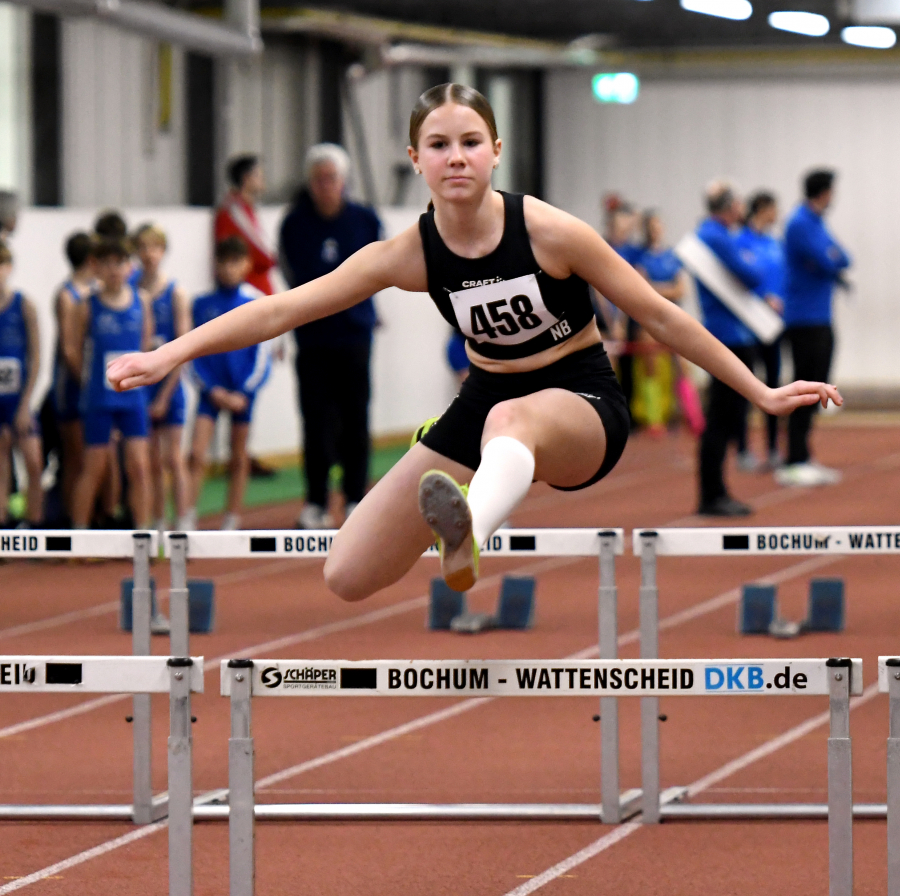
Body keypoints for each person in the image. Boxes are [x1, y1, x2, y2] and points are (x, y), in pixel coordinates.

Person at [109, 83, 841, 601]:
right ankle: (467, 509)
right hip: (485, 401)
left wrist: (759, 391)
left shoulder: (551, 232)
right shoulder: (411, 253)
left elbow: (661, 315)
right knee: (347, 573)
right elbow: (282, 309)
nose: (455, 157)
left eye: (469, 143)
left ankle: (467, 535)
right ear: (416, 158)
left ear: (495, 151)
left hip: (582, 402)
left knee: (510, 420)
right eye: (438, 145)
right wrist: (169, 353)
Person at [279, 143, 382, 529]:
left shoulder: (365, 220)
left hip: (354, 335)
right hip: (313, 338)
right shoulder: (294, 224)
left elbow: (379, 268)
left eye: (332, 178)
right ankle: (315, 502)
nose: (325, 186)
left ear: (344, 181)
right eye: (318, 179)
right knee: (314, 420)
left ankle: (355, 498)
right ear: (310, 183)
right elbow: (291, 274)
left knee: (356, 418)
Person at [691, 181, 769, 517]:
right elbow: (753, 274)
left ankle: (716, 491)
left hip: (731, 334)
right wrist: (750, 259)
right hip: (728, 337)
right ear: (726, 206)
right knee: (721, 418)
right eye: (737, 202)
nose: (741, 208)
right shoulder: (718, 236)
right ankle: (712, 494)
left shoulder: (715, 235)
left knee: (725, 417)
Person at [184, 236, 270, 531]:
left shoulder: (257, 303)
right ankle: (187, 518)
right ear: (215, 265)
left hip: (243, 394)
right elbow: (190, 351)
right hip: (211, 392)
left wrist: (243, 392)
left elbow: (263, 354)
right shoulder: (201, 304)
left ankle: (232, 519)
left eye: (235, 262)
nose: (229, 268)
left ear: (246, 265)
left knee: (239, 456)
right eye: (224, 262)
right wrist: (211, 389)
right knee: (196, 453)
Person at [69, 236, 152, 530]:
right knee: (94, 467)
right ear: (96, 267)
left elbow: (146, 347)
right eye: (107, 263)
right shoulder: (87, 304)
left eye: (120, 263)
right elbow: (73, 349)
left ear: (130, 267)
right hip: (100, 399)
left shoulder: (142, 301)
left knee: (139, 467)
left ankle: (143, 534)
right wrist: (89, 382)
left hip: (133, 397)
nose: (114, 269)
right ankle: (78, 536)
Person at [776, 169, 851, 488]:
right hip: (803, 319)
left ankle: (803, 456)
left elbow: (844, 258)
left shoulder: (817, 221)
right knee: (806, 389)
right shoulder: (799, 222)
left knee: (818, 385)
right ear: (823, 192)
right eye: (832, 190)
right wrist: (830, 258)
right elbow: (828, 260)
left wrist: (831, 257)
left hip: (820, 316)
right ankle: (793, 460)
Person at [133, 224, 191, 533]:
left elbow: (183, 347)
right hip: (144, 385)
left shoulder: (175, 293)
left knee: (173, 458)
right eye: (143, 247)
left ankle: (183, 522)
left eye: (154, 247)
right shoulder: (132, 291)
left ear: (163, 251)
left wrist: (166, 395)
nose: (149, 254)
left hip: (170, 384)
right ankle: (158, 523)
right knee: (152, 460)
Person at [734, 192, 786, 471]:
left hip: (773, 325)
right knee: (746, 386)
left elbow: (783, 278)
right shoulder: (740, 241)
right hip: (748, 326)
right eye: (773, 208)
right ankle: (743, 448)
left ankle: (773, 448)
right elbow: (738, 281)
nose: (777, 213)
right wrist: (763, 298)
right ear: (762, 208)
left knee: (774, 384)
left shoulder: (774, 243)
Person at [0, 240, 44, 527]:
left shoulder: (24, 305)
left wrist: (26, 404)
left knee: (34, 461)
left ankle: (34, 522)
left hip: (19, 399)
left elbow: (36, 357)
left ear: (9, 268)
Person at [51, 232, 94, 519]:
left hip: (88, 380)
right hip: (72, 383)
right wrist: (88, 384)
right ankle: (70, 521)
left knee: (95, 457)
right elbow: (69, 349)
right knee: (75, 458)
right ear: (91, 259)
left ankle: (97, 516)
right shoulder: (68, 295)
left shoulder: (93, 291)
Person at [633, 211, 688, 435]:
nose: (656, 230)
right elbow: (641, 288)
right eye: (652, 226)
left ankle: (690, 416)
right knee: (651, 366)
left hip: (674, 317)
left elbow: (680, 289)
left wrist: (658, 289)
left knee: (683, 364)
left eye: (658, 225)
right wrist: (666, 289)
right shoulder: (641, 257)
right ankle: (654, 418)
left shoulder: (672, 256)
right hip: (649, 319)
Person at [215, 155, 277, 296]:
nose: (262, 179)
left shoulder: (246, 208)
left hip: (255, 285)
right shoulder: (235, 211)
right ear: (246, 178)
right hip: (250, 287)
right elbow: (265, 254)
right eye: (258, 175)